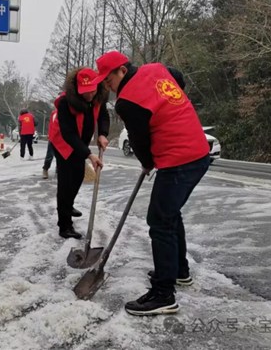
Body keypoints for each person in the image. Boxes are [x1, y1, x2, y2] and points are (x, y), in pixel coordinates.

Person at [94, 50, 210, 316]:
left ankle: (163, 294)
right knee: (169, 214)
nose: (108, 86)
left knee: (159, 220)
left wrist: (147, 162)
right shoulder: (156, 69)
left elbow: (139, 140)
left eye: (109, 79)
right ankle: (179, 271)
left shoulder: (127, 101)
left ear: (122, 70)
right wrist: (170, 107)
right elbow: (178, 78)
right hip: (198, 152)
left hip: (179, 159)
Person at [48, 67, 109, 239]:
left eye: (92, 90)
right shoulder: (65, 102)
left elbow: (103, 115)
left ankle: (68, 204)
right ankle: (64, 225)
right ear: (76, 88)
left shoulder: (99, 96)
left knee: (78, 175)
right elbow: (69, 134)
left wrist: (103, 134)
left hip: (80, 141)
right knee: (67, 181)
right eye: (85, 91)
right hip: (63, 141)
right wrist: (89, 154)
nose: (89, 95)